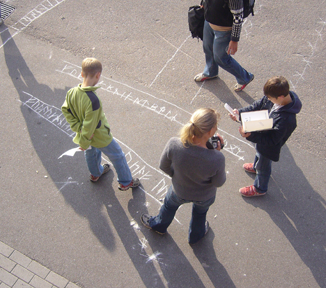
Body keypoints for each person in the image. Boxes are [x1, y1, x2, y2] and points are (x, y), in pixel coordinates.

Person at [141, 108, 226, 244]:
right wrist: (216, 153)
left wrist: (177, 177)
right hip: (204, 196)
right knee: (200, 214)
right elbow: (218, 183)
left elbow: (164, 166)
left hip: (179, 190)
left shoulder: (174, 144)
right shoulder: (217, 158)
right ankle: (195, 236)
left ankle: (159, 226)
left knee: (168, 207)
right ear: (210, 132)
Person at [61, 58, 140, 191]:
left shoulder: (72, 92)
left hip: (86, 136)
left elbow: (66, 110)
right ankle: (126, 182)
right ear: (98, 75)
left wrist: (78, 129)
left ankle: (95, 173)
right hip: (100, 136)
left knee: (91, 153)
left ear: (82, 73)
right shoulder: (93, 100)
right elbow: (89, 125)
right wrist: (84, 140)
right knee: (118, 155)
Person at [229, 76, 302, 197]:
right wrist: (240, 113)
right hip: (262, 138)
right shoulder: (275, 96)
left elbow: (272, 140)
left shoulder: (287, 120)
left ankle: (260, 188)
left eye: (270, 98)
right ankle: (256, 166)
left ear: (281, 97)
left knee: (264, 167)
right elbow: (257, 105)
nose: (267, 99)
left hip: (269, 147)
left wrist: (250, 136)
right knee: (259, 153)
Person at [195, 0, 254, 92]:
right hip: (209, 23)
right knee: (207, 49)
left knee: (221, 57)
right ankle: (210, 72)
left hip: (224, 30)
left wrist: (234, 40)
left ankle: (244, 77)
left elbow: (238, 18)